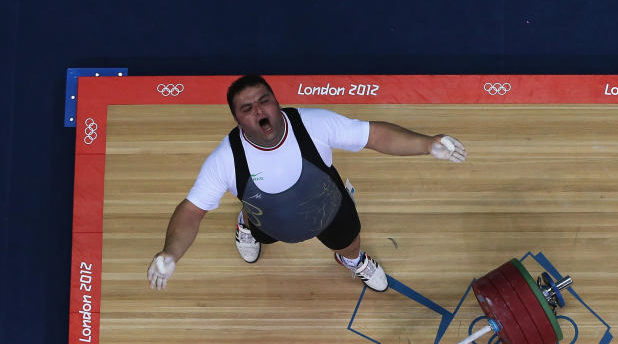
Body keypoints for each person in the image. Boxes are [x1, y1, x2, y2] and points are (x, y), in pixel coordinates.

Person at [146, 74, 466, 292]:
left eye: (264, 100)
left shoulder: (314, 123)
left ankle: (351, 261)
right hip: (267, 220)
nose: (260, 110)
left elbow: (375, 135)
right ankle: (245, 223)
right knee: (256, 225)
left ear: (275, 100)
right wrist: (170, 253)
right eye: (247, 107)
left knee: (349, 240)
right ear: (237, 119)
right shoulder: (225, 160)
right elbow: (191, 211)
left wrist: (427, 144)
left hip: (330, 207)